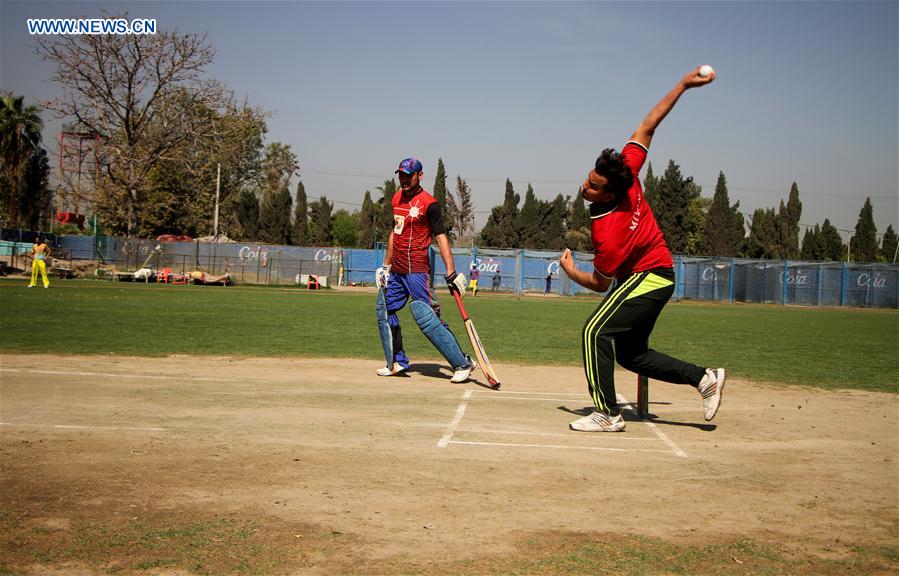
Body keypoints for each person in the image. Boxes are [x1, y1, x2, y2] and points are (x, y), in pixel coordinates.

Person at [559, 67, 725, 432]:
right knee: (631, 355)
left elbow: (601, 283)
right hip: (654, 276)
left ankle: (608, 414)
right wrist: (683, 84)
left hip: (649, 276)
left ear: (611, 194)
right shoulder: (627, 171)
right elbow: (650, 124)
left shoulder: (609, 232)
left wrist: (571, 272)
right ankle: (704, 379)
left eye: (594, 186)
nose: (585, 186)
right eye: (589, 178)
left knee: (594, 332)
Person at [375, 157, 476, 382]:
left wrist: (451, 272)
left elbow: (441, 238)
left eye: (408, 176)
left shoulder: (430, 204)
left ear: (419, 176)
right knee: (384, 310)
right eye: (401, 175)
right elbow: (394, 233)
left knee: (429, 319)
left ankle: (463, 363)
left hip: (418, 272)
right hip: (397, 272)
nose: (404, 180)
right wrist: (385, 266)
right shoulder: (396, 199)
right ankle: (396, 362)